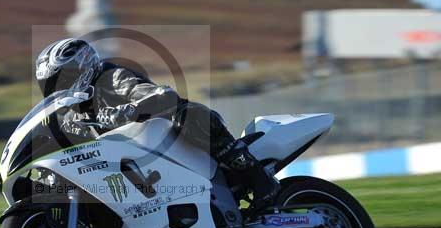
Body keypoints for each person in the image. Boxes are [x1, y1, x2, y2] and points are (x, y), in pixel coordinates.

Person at [35, 38, 279, 202]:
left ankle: (257, 178)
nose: (58, 88)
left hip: (167, 138)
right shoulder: (71, 114)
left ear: (82, 67)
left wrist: (128, 110)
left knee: (187, 115)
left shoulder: (112, 78)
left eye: (62, 79)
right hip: (134, 166)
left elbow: (162, 95)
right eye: (51, 84)